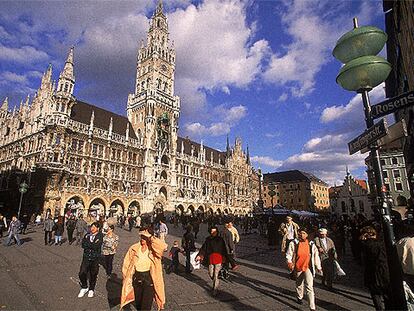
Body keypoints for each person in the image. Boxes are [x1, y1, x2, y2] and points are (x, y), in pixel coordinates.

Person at [121, 227, 167, 310]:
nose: (143, 239)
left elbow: (163, 246)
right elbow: (126, 264)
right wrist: (126, 278)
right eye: (142, 236)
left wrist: (150, 237)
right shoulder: (134, 248)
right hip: (137, 278)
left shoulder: (154, 249)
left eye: (145, 237)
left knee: (146, 306)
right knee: (138, 304)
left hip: (149, 279)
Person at [286, 228, 321, 311]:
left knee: (309, 287)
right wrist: (289, 262)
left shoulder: (311, 244)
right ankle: (299, 297)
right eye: (300, 233)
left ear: (307, 235)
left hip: (308, 267)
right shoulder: (294, 243)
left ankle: (312, 307)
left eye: (303, 233)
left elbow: (316, 255)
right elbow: (289, 254)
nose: (301, 235)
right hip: (298, 267)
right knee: (299, 284)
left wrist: (318, 266)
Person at [360, 226, 390, 311]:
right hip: (384, 271)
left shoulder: (366, 245)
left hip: (372, 272)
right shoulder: (382, 243)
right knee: (386, 294)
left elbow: (363, 259)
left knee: (375, 295)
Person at [196, 226, 229, 296]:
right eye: (212, 231)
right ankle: (215, 282)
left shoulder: (220, 239)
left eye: (215, 231)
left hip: (218, 259)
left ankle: (215, 289)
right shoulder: (208, 239)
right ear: (210, 232)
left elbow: (224, 250)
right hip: (210, 259)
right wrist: (200, 255)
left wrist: (226, 258)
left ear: (217, 232)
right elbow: (203, 248)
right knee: (211, 274)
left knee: (216, 274)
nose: (213, 233)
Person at [78, 222, 103, 298]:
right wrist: (90, 244)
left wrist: (88, 244)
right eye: (91, 227)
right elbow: (83, 245)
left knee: (93, 274)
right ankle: (84, 287)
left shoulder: (100, 236)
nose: (92, 229)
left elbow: (96, 246)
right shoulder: (87, 235)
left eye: (94, 227)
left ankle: (91, 289)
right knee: (81, 273)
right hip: (86, 257)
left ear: (98, 228)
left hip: (95, 258)